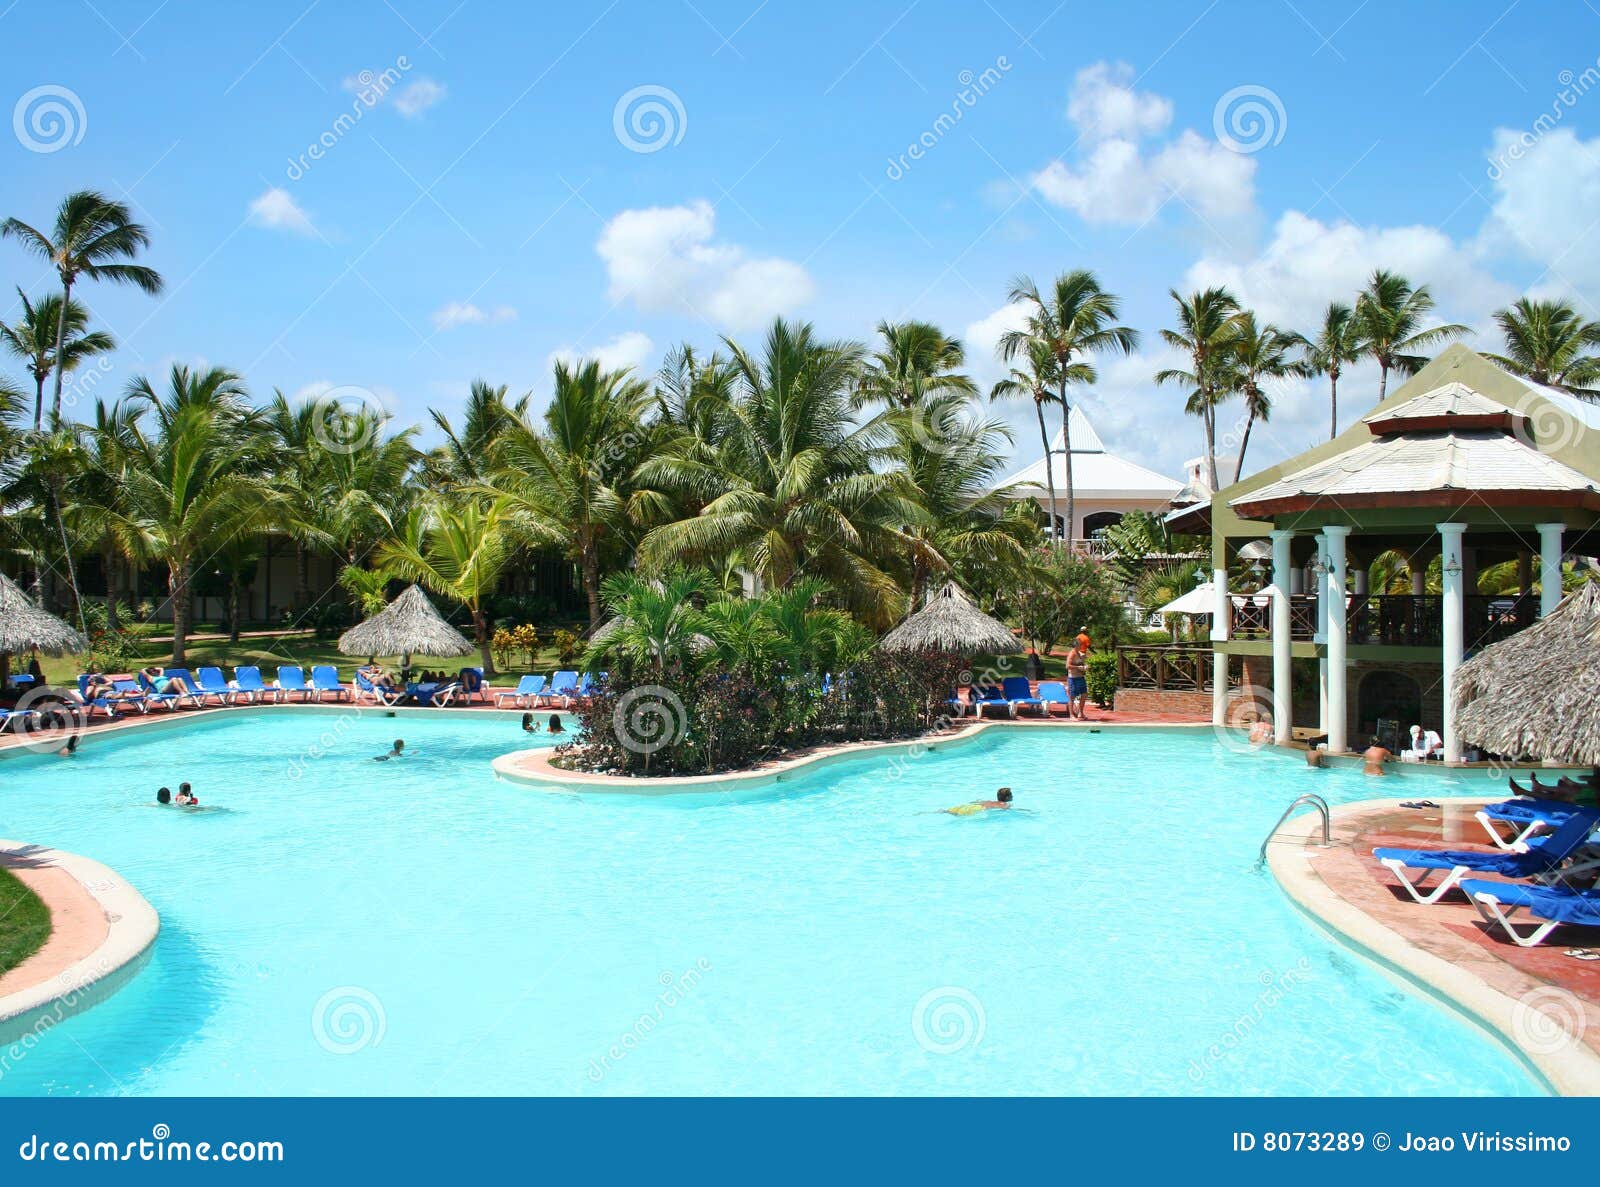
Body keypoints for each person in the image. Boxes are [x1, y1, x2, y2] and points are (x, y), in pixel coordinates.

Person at [1065, 640, 1090, 721]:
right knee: (1072, 697)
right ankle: (1071, 715)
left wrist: (1085, 666)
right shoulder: (1072, 653)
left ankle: (1080, 713)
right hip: (1073, 678)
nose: (1081, 646)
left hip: (1080, 677)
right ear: (1075, 645)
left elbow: (1080, 663)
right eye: (1080, 645)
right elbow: (1067, 666)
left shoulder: (1079, 653)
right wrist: (1078, 667)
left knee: (1084, 694)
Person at [945, 788, 1014, 815]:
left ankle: (945, 811)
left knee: (951, 812)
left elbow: (976, 802)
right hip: (979, 809)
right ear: (1007, 797)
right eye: (1011, 795)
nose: (1012, 796)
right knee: (960, 815)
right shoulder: (1005, 805)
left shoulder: (989, 801)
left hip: (974, 806)